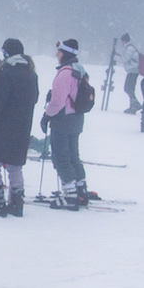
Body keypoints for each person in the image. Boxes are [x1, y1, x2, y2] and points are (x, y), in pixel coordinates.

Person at [0, 38, 39, 217]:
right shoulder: (31, 72)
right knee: (14, 165)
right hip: (23, 126)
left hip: (4, 125)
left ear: (6, 53)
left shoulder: (7, 70)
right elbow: (34, 99)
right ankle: (17, 204)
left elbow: (0, 100)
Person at [40, 39, 90, 210]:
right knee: (73, 156)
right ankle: (80, 190)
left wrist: (46, 116)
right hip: (77, 118)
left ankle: (70, 195)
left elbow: (58, 101)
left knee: (61, 157)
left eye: (59, 52)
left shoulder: (65, 73)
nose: (57, 55)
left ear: (66, 53)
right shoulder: (80, 70)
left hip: (63, 119)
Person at [120, 32, 143, 114]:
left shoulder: (129, 48)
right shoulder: (130, 48)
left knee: (128, 88)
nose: (121, 43)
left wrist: (115, 57)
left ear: (125, 40)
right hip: (133, 71)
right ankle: (132, 107)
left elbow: (125, 59)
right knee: (130, 89)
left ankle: (135, 104)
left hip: (133, 71)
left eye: (122, 41)